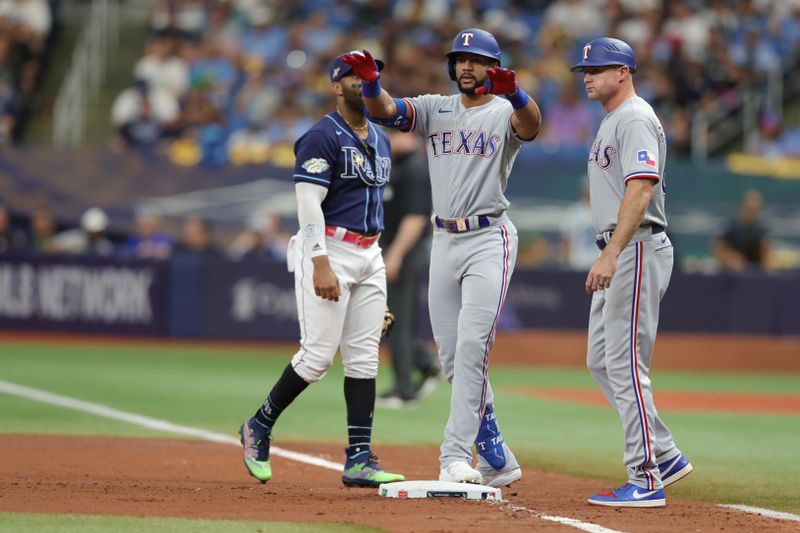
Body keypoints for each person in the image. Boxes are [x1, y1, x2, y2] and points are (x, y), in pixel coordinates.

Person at [344, 27, 542, 487]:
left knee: (473, 348)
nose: (467, 67)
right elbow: (387, 111)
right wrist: (372, 84)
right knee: (453, 359)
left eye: (476, 60)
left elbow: (531, 126)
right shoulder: (437, 108)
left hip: (489, 237)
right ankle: (495, 451)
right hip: (445, 240)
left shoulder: (502, 110)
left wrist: (517, 95)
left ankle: (455, 455)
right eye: (460, 60)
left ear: (493, 68)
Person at [238, 53, 405, 489]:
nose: (365, 79)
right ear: (336, 85)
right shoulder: (321, 136)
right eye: (354, 74)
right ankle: (258, 425)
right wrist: (320, 262)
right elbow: (308, 204)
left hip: (370, 253)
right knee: (316, 357)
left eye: (372, 73)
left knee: (365, 357)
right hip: (330, 246)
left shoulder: (380, 138)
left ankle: (360, 457)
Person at [571, 37, 692, 508]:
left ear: (624, 71)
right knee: (601, 359)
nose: (588, 76)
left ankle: (645, 478)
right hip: (626, 247)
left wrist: (611, 253)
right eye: (585, 70)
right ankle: (663, 453)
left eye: (597, 69)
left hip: (635, 245)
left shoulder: (636, 117)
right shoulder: (615, 119)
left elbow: (641, 189)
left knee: (624, 362)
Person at [376, 130, 439, 408]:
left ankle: (404, 389)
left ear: (412, 136)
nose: (389, 137)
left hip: (404, 253)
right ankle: (424, 364)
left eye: (395, 132)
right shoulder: (394, 165)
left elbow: (415, 218)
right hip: (389, 250)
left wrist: (395, 255)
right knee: (388, 320)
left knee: (396, 322)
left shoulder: (415, 168)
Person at [714, 189, 770, 272]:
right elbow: (719, 246)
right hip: (730, 273)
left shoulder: (761, 229)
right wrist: (731, 258)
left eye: (756, 205)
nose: (753, 206)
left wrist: (767, 267)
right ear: (744, 204)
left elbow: (766, 254)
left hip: (753, 273)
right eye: (750, 205)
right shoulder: (731, 224)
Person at [51, 207, 115, 257]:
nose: (94, 235)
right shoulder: (71, 239)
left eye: (97, 232)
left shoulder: (105, 248)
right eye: (91, 232)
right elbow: (52, 246)